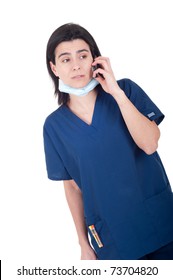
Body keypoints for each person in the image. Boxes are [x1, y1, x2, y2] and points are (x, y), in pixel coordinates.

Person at [43, 23, 173, 260]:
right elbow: (72, 187)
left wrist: (116, 93)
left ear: (95, 58)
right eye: (65, 59)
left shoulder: (126, 91)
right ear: (54, 68)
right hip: (112, 238)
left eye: (83, 55)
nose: (76, 65)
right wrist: (83, 243)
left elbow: (150, 144)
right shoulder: (54, 126)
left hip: (160, 225)